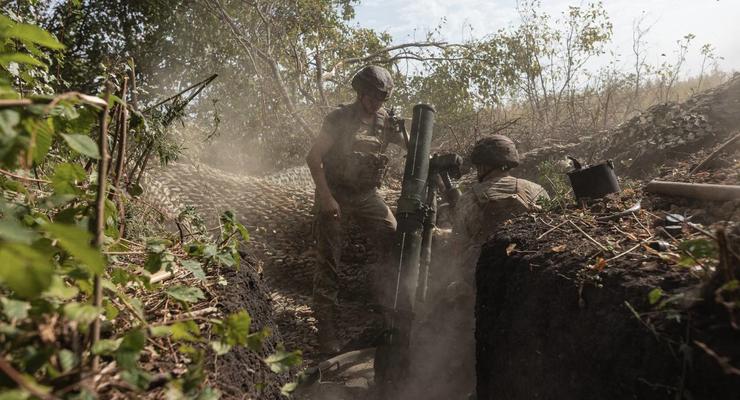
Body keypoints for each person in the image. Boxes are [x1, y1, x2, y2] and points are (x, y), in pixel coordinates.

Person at [305, 65, 405, 354]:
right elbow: (313, 158)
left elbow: (411, 147)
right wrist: (326, 198)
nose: (377, 104)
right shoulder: (339, 118)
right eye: (373, 98)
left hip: (366, 195)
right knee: (329, 262)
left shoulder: (385, 121)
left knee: (393, 232)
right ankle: (327, 332)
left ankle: (386, 312)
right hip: (334, 194)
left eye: (382, 100)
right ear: (360, 93)